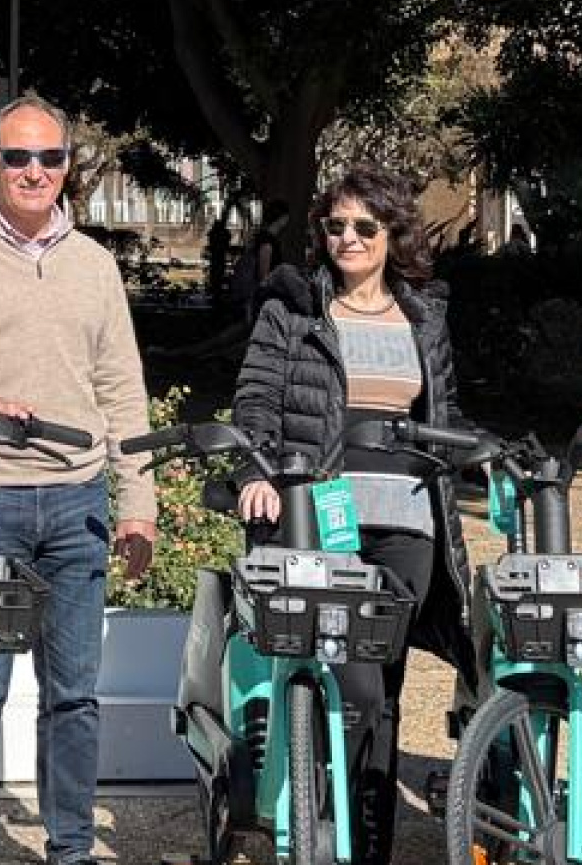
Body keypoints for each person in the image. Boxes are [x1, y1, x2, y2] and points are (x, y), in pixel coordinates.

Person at [0, 94, 157, 865]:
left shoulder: (94, 265)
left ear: (68, 165)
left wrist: (137, 501)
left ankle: (70, 849)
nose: (34, 171)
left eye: (50, 157)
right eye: (18, 156)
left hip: (77, 501)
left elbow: (122, 389)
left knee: (73, 695)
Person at [229, 164, 467, 865]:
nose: (349, 238)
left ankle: (368, 847)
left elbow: (445, 414)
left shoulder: (425, 317)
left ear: (393, 233)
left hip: (409, 522)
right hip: (321, 512)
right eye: (335, 226)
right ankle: (314, 822)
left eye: (365, 225)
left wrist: (478, 459)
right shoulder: (294, 309)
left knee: (383, 689)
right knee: (353, 679)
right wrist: (256, 473)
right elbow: (255, 401)